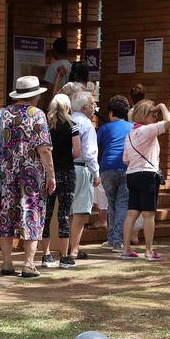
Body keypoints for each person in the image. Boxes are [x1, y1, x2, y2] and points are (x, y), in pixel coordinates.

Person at [0, 76, 55, 278]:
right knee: (31, 214)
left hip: (7, 175)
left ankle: (7, 263)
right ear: (35, 96)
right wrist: (51, 175)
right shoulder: (38, 115)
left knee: (7, 217)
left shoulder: (2, 115)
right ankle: (28, 264)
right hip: (31, 176)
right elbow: (44, 150)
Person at [122, 100, 170, 261]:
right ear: (144, 116)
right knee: (149, 214)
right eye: (153, 114)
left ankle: (126, 249)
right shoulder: (147, 130)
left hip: (132, 174)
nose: (156, 116)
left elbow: (125, 160)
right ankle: (149, 250)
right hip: (147, 174)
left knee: (131, 213)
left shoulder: (130, 134)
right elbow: (168, 122)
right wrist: (163, 106)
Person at [37, 94, 81, 269]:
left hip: (48, 172)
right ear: (68, 107)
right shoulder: (72, 125)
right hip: (67, 172)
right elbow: (77, 152)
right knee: (64, 213)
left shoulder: (45, 125)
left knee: (46, 213)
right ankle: (64, 257)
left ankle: (46, 255)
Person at [67, 90, 100, 262]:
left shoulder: (66, 120)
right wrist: (96, 172)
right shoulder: (86, 124)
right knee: (80, 211)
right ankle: (74, 250)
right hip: (81, 167)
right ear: (85, 107)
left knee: (67, 210)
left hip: (64, 168)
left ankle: (64, 247)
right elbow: (89, 152)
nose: (95, 107)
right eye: (93, 104)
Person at [97, 95, 133, 252]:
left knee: (111, 204)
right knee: (122, 205)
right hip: (127, 168)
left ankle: (112, 239)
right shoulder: (132, 127)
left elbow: (96, 147)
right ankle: (117, 241)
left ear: (111, 113)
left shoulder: (104, 128)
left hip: (107, 167)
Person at [43, 37, 72, 105]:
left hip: (55, 104)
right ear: (67, 50)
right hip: (69, 103)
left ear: (54, 51)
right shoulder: (72, 66)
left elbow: (49, 89)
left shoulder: (52, 67)